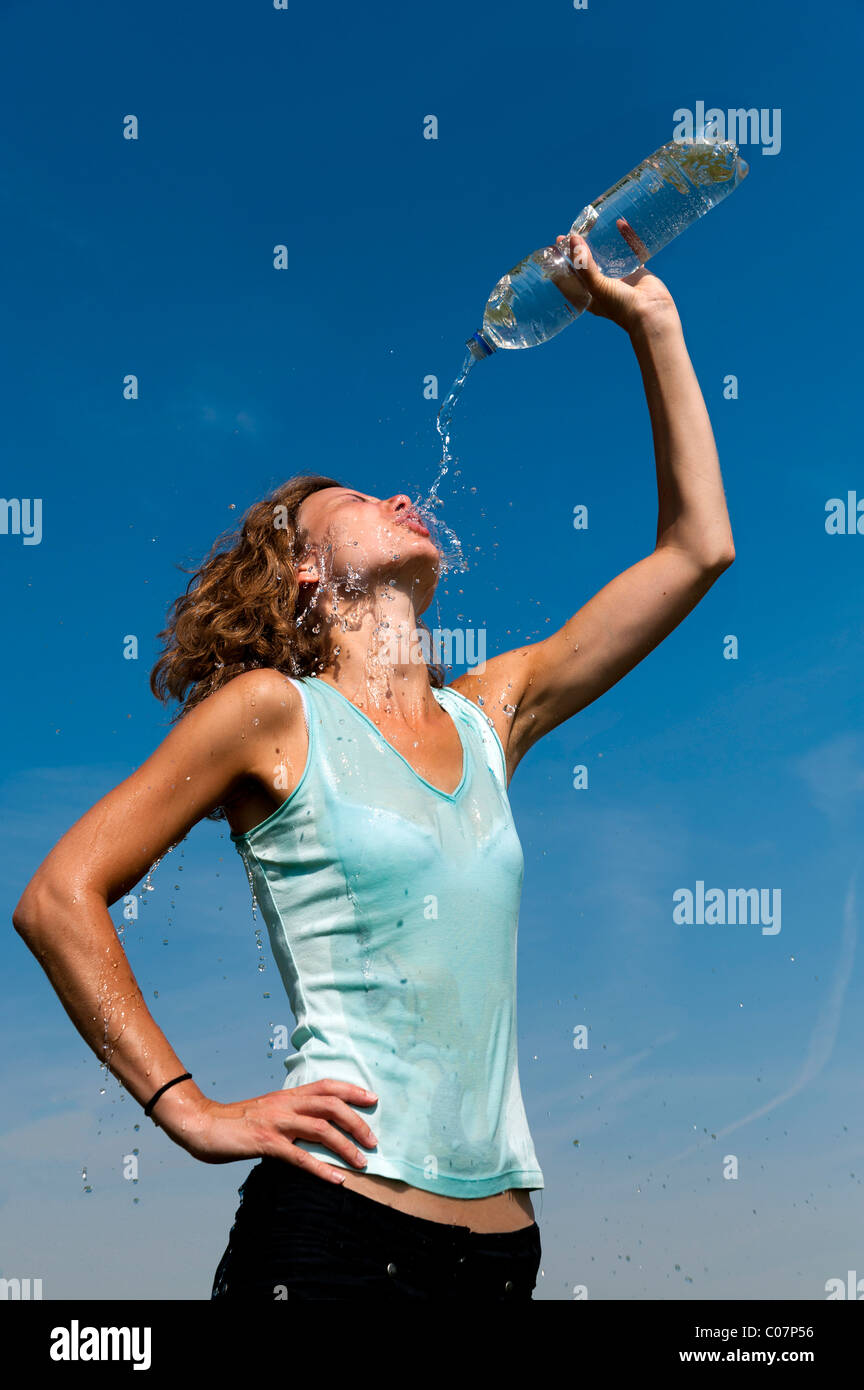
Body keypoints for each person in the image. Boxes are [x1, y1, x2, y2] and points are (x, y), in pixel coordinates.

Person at [12, 229, 734, 1300]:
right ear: (307, 570)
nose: (401, 497)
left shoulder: (494, 714)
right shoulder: (271, 714)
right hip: (332, 1229)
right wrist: (190, 1107)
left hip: (501, 1253)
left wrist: (654, 326)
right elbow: (57, 896)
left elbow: (696, 549)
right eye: (356, 503)